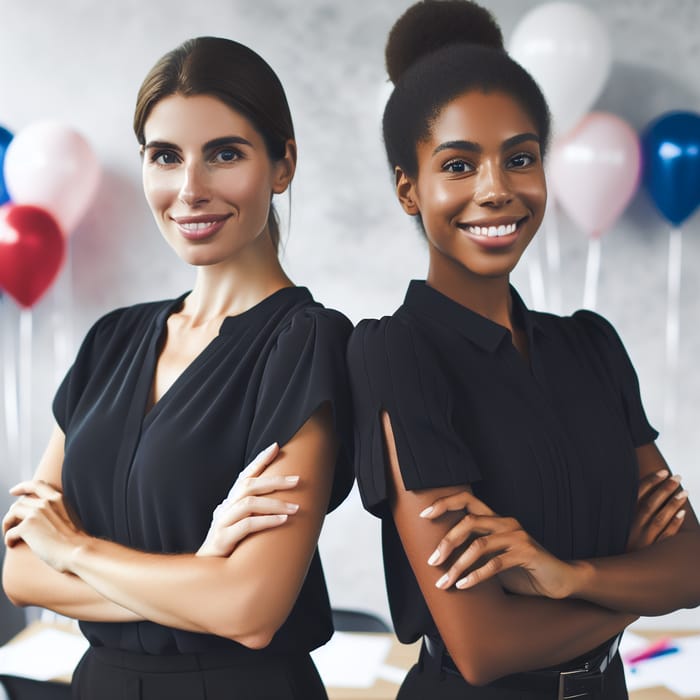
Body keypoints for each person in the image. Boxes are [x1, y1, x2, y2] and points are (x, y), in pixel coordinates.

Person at [347, 2, 700, 698]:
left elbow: (694, 564)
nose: (496, 189)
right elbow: (485, 646)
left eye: (520, 158)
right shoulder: (396, 353)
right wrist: (641, 587)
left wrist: (573, 578)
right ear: (408, 189)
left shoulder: (591, 344)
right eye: (458, 164)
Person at [2, 36, 353, 700]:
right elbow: (21, 572)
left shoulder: (307, 343)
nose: (190, 190)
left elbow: (250, 610)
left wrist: (74, 552)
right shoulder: (113, 339)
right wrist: (200, 577)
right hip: (100, 686)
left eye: (225, 154)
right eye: (165, 156)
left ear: (283, 165)